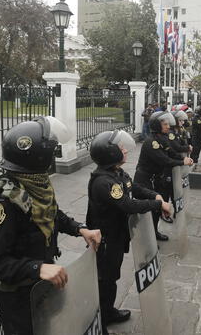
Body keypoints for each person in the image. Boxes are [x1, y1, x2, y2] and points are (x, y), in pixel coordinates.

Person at [0, 116, 102, 335]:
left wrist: (80, 228)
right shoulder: (7, 202)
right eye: (51, 150)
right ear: (39, 157)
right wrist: (38, 267)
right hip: (18, 298)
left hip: (40, 287)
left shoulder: (38, 186)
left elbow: (54, 214)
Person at [86, 130, 173, 335]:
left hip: (116, 236)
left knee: (111, 278)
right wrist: (156, 204)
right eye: (120, 148)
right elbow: (128, 204)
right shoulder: (103, 182)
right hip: (105, 240)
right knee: (105, 281)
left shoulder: (117, 173)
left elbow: (134, 187)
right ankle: (100, 323)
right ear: (110, 155)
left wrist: (156, 196)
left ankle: (108, 312)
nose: (125, 149)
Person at [134, 111, 193, 240]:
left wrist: (183, 158)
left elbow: (171, 153)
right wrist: (182, 161)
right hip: (145, 180)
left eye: (168, 124)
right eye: (165, 124)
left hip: (156, 178)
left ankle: (154, 233)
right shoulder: (151, 142)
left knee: (156, 208)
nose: (168, 126)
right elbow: (164, 160)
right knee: (148, 210)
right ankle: (147, 237)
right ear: (156, 125)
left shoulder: (163, 138)